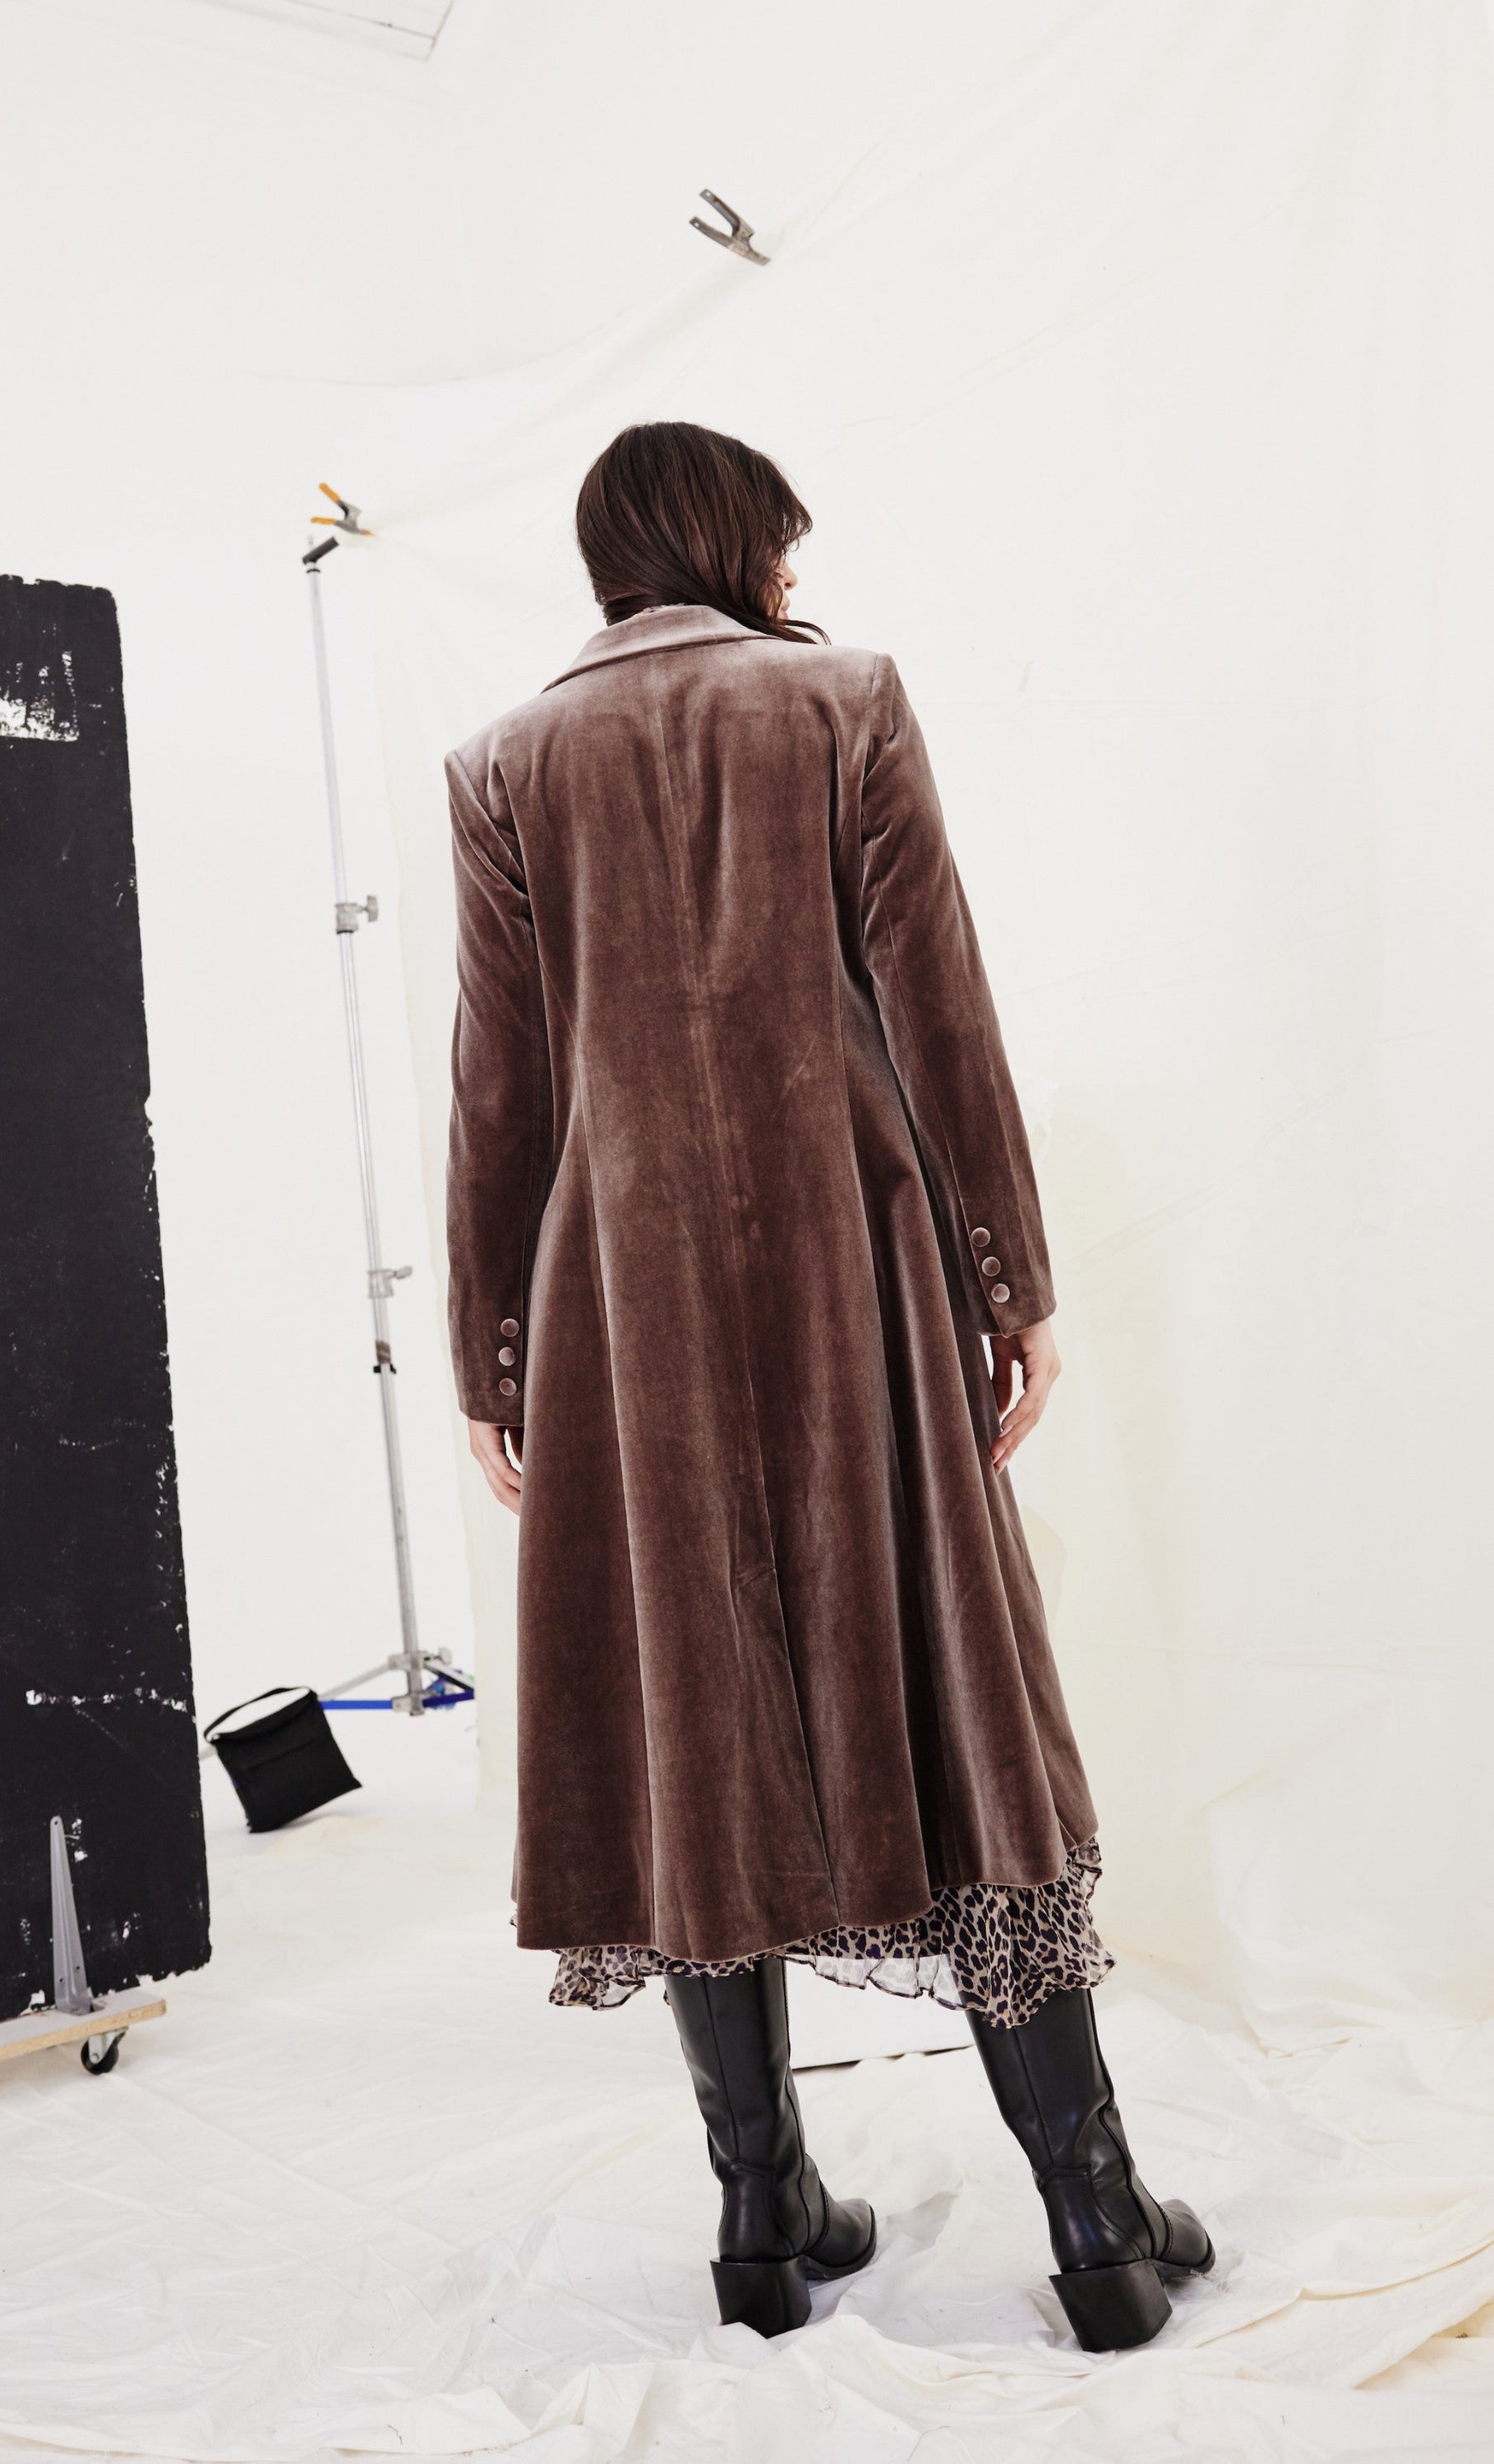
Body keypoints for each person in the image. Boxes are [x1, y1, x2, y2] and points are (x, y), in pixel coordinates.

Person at [444, 421, 1211, 2351]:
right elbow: (938, 1002)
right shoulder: (841, 699)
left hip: (619, 1302)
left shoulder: (504, 763)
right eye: (779, 542)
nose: (795, 574)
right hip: (849, 1268)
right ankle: (1094, 2215)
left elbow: (496, 1089)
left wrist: (492, 1354)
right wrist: (1011, 1278)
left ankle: (760, 2212)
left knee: (690, 1714)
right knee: (963, 1702)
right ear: (729, 541)